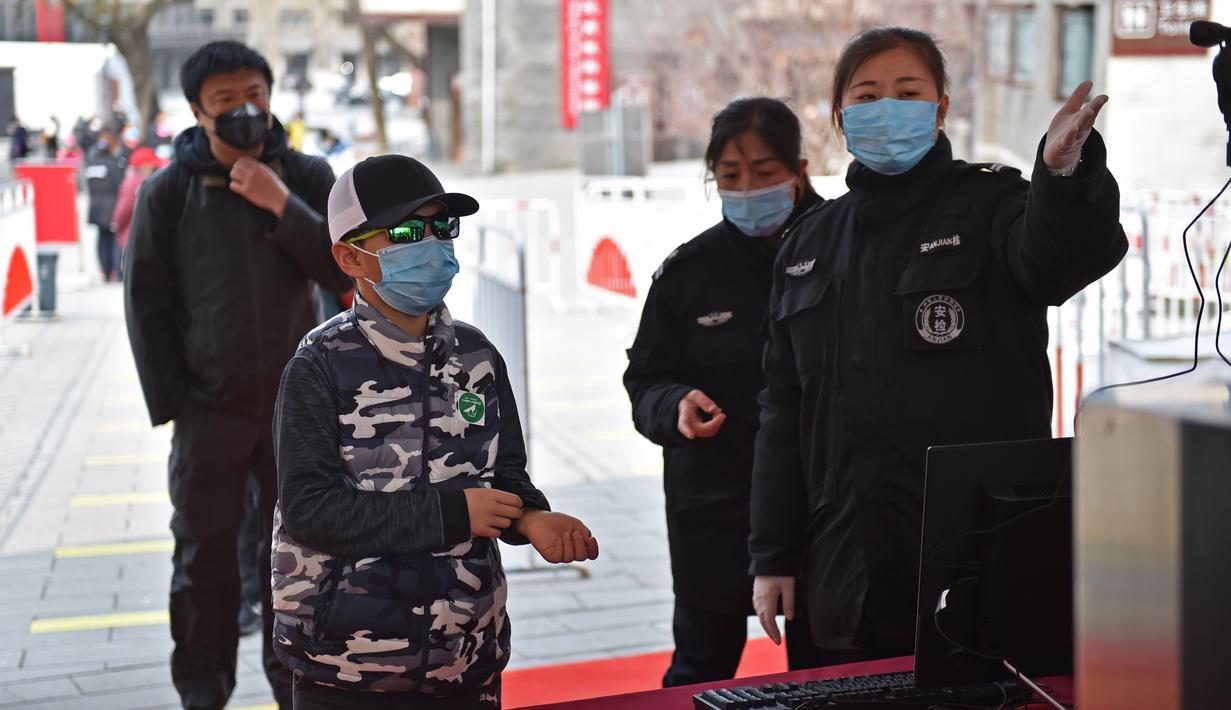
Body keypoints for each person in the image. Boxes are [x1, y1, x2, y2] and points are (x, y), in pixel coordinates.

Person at [749, 26, 1128, 667]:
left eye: (907, 91)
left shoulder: (994, 204)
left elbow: (1056, 262)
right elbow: (783, 414)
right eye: (866, 95)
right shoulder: (809, 245)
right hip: (841, 562)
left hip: (980, 553)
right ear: (841, 117)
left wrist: (1062, 176)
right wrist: (772, 556)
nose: (886, 107)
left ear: (941, 108)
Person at [272, 154, 600, 709]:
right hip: (347, 669)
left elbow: (505, 476)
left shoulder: (476, 357)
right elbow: (311, 510)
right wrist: (455, 514)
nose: (432, 244)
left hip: (466, 662)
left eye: (442, 227)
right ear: (350, 256)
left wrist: (532, 519)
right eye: (404, 232)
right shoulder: (320, 364)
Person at [123, 40, 352, 710]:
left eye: (255, 95)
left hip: (299, 410)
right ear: (197, 111)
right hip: (209, 411)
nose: (245, 111)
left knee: (298, 560)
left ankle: (299, 689)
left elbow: (345, 274)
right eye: (226, 102)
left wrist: (284, 205)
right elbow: (147, 304)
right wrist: (177, 408)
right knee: (204, 563)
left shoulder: (308, 175)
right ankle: (202, 691)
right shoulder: (169, 193)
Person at [623, 97, 824, 686]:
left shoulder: (843, 246)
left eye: (764, 173)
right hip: (715, 507)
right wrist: (673, 404)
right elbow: (645, 378)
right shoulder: (690, 271)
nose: (746, 189)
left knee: (829, 673)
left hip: (823, 506)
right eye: (729, 176)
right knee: (700, 668)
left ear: (800, 169)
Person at [110, 146, 167, 281]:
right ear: (143, 166)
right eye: (150, 166)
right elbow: (124, 207)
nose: (153, 168)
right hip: (131, 230)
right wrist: (116, 221)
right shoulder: (134, 182)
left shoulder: (139, 181)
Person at [85, 123, 126, 282]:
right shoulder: (113, 164)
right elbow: (119, 185)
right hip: (111, 206)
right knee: (114, 240)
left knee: (102, 239)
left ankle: (105, 271)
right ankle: (115, 271)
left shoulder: (90, 162)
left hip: (96, 207)